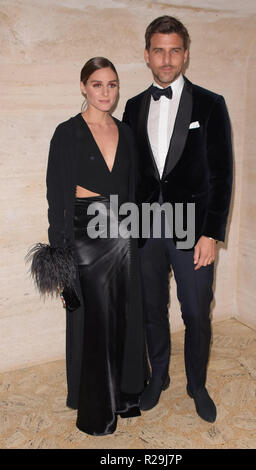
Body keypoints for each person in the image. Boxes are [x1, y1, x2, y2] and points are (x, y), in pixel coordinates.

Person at [26, 57, 147, 436]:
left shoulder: (127, 133)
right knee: (94, 322)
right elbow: (56, 196)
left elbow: (133, 191)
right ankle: (97, 411)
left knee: (126, 316)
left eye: (112, 84)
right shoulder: (67, 133)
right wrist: (61, 256)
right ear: (83, 86)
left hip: (124, 236)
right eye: (97, 84)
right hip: (86, 238)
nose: (106, 92)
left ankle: (125, 397)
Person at [123, 16, 233, 423]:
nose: (166, 59)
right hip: (147, 227)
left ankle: (196, 383)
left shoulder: (210, 103)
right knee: (152, 308)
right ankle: (158, 377)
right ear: (147, 55)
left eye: (174, 50)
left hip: (194, 231)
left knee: (195, 311)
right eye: (158, 50)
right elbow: (129, 173)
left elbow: (223, 175)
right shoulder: (133, 107)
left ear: (185, 54)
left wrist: (212, 234)